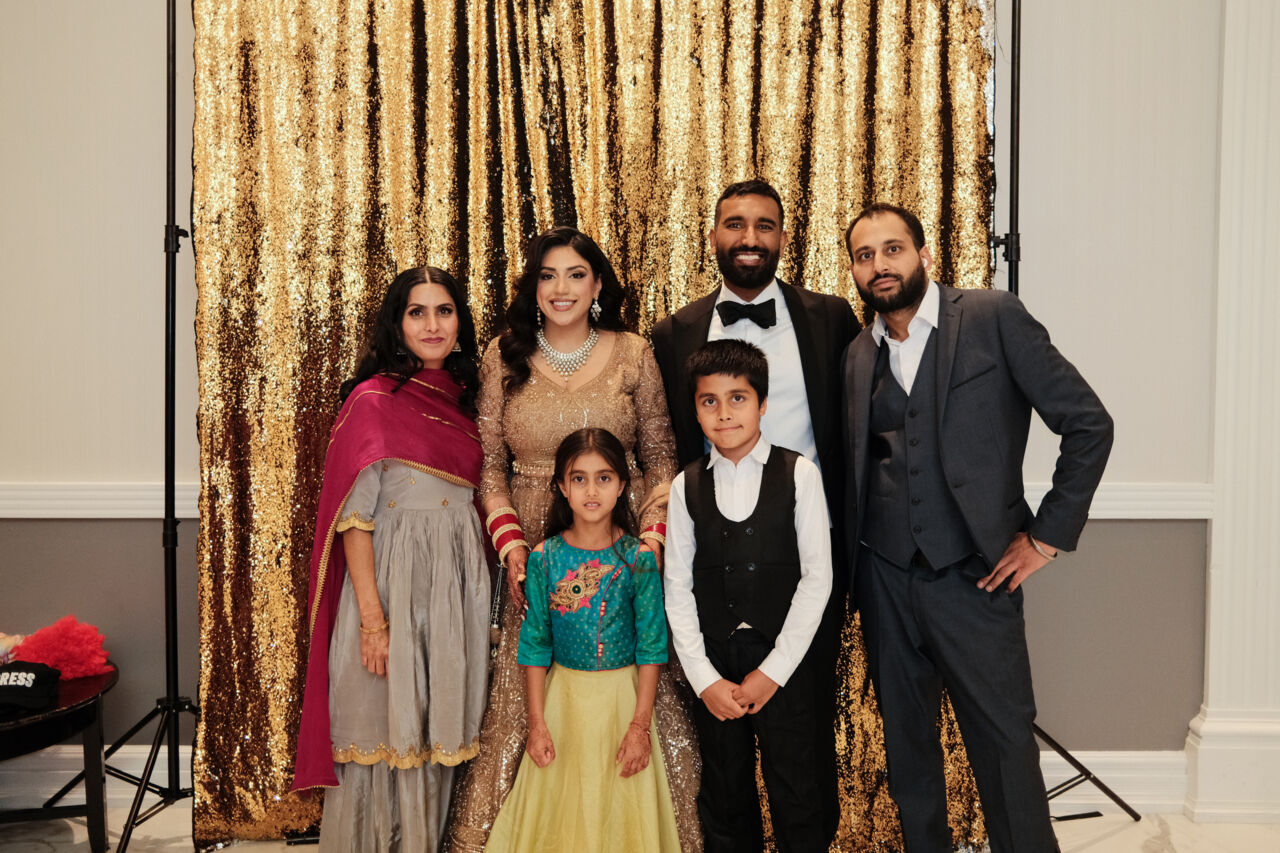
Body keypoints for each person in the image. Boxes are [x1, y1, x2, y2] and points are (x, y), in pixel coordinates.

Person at [841, 203, 1114, 852]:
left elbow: (1089, 424)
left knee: (1005, 748)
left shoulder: (993, 317)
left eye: (892, 249)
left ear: (924, 254)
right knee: (908, 755)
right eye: (864, 255)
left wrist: (1045, 537)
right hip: (883, 578)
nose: (880, 265)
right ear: (853, 270)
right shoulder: (855, 354)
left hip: (975, 578)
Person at [446, 227, 700, 852]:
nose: (562, 289)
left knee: (631, 669)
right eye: (548, 275)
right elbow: (491, 469)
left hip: (619, 539)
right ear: (533, 287)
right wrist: (513, 546)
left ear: (597, 285)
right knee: (527, 687)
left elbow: (661, 457)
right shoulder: (504, 355)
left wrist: (651, 540)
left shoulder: (633, 353)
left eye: (576, 275)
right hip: (533, 546)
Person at [651, 180, 854, 843]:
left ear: (783, 239)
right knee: (724, 767)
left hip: (808, 557)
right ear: (713, 235)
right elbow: (663, 439)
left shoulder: (831, 318)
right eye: (735, 224)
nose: (749, 237)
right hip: (712, 560)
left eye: (764, 225)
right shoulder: (674, 333)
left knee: (802, 743)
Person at [292, 266, 492, 852]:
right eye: (417, 312)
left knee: (441, 724)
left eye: (444, 311)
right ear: (396, 324)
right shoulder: (374, 400)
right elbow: (354, 520)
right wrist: (374, 620)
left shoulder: (473, 398)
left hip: (456, 586)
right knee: (386, 726)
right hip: (392, 584)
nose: (432, 325)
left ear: (460, 322)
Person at [663, 339, 832, 853]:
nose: (724, 413)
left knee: (797, 790)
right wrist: (704, 679)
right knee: (725, 795)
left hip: (784, 662)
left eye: (737, 398)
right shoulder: (685, 485)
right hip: (714, 664)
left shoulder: (799, 473)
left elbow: (817, 579)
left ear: (762, 404)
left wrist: (773, 671)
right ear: (695, 410)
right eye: (709, 401)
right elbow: (677, 586)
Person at [487, 428, 682, 852]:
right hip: (563, 706)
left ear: (623, 485)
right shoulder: (544, 558)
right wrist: (538, 725)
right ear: (562, 486)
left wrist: (639, 727)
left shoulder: (638, 559)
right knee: (561, 816)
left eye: (604, 478)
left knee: (617, 812)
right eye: (579, 479)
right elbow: (535, 645)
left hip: (622, 705)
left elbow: (652, 646)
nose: (591, 491)